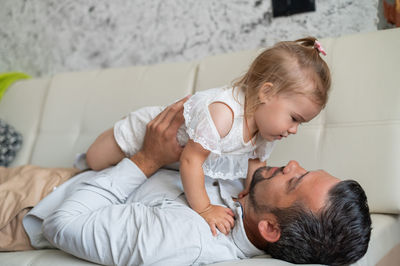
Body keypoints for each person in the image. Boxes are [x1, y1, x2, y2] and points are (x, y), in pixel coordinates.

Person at [20, 97, 371, 266]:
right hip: (61, 175)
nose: (291, 164)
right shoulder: (247, 195)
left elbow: (61, 225)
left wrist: (147, 159)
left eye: (295, 181)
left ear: (270, 229)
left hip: (29, 203)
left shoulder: (186, 240)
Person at [85, 37, 331, 236]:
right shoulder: (224, 114)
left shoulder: (266, 132)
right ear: (267, 92)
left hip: (168, 157)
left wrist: (249, 190)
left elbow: (256, 164)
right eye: (295, 118)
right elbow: (191, 161)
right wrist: (204, 209)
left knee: (116, 172)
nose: (294, 130)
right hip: (146, 132)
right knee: (94, 160)